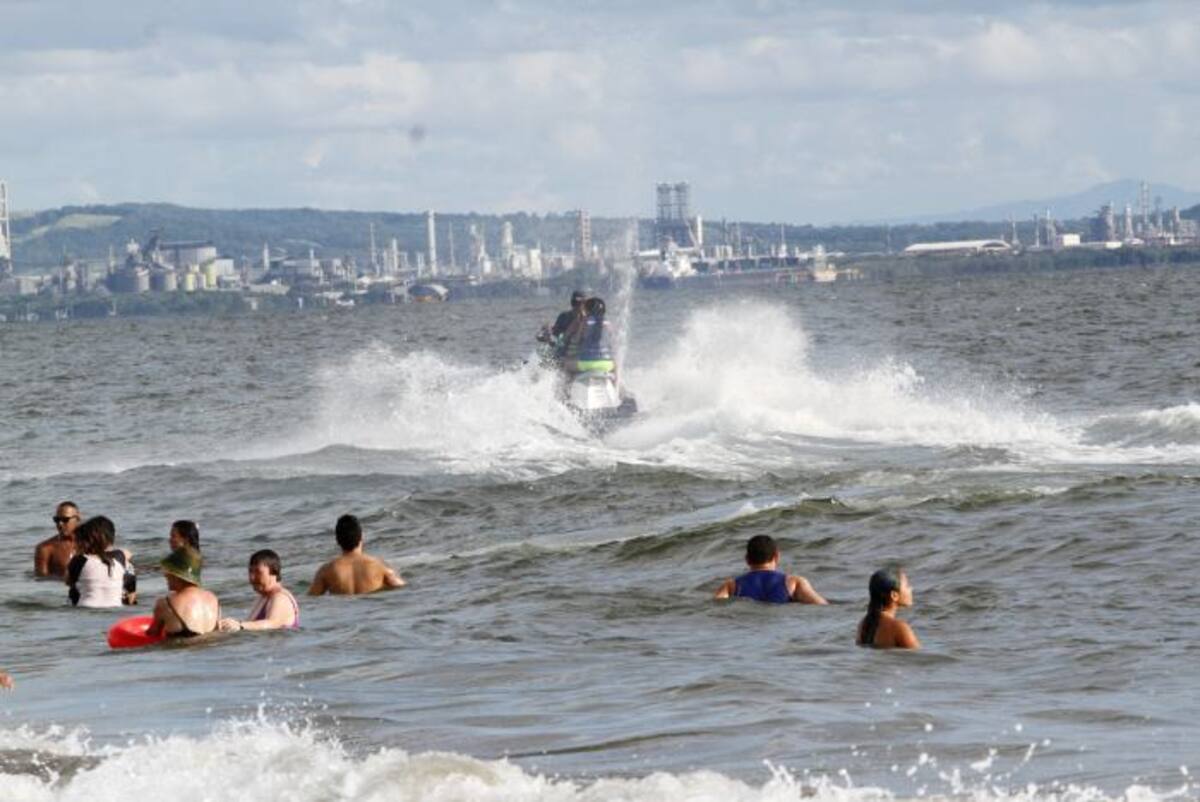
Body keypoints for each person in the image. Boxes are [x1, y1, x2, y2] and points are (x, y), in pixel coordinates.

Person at [714, 534, 827, 604]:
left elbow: (715, 607)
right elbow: (821, 606)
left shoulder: (730, 586)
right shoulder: (794, 583)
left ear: (747, 559)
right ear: (776, 556)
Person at [308, 514, 405, 595]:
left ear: (337, 540)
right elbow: (402, 588)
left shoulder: (326, 571)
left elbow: (311, 599)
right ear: (361, 537)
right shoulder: (379, 566)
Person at [219, 549, 299, 632]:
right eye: (250, 572)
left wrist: (240, 625)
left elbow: (272, 624)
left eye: (258, 572)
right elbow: (251, 626)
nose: (252, 578)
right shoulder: (264, 597)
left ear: (274, 571)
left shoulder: (280, 598)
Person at [148, 547, 219, 638]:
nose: (165, 575)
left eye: (168, 570)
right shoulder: (214, 600)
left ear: (177, 575)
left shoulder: (165, 603)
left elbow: (152, 635)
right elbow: (218, 630)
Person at [65, 516, 136, 608]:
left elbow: (67, 581)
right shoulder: (119, 557)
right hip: (116, 609)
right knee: (129, 569)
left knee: (74, 589)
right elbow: (128, 554)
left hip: (85, 610)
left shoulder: (78, 560)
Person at [856, 568, 920, 650]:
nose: (911, 589)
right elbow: (920, 660)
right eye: (907, 585)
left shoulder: (863, 624)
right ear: (894, 595)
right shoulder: (899, 628)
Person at [568, 296, 615, 375]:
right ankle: (617, 385)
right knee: (616, 366)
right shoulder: (608, 323)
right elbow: (613, 342)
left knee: (566, 365)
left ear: (587, 310)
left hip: (586, 364)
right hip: (606, 364)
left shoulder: (585, 322)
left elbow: (577, 339)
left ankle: (565, 387)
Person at [34, 501, 81, 578]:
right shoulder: (45, 549)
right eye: (57, 520)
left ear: (78, 519)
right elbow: (41, 581)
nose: (60, 524)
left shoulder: (92, 543)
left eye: (65, 519)